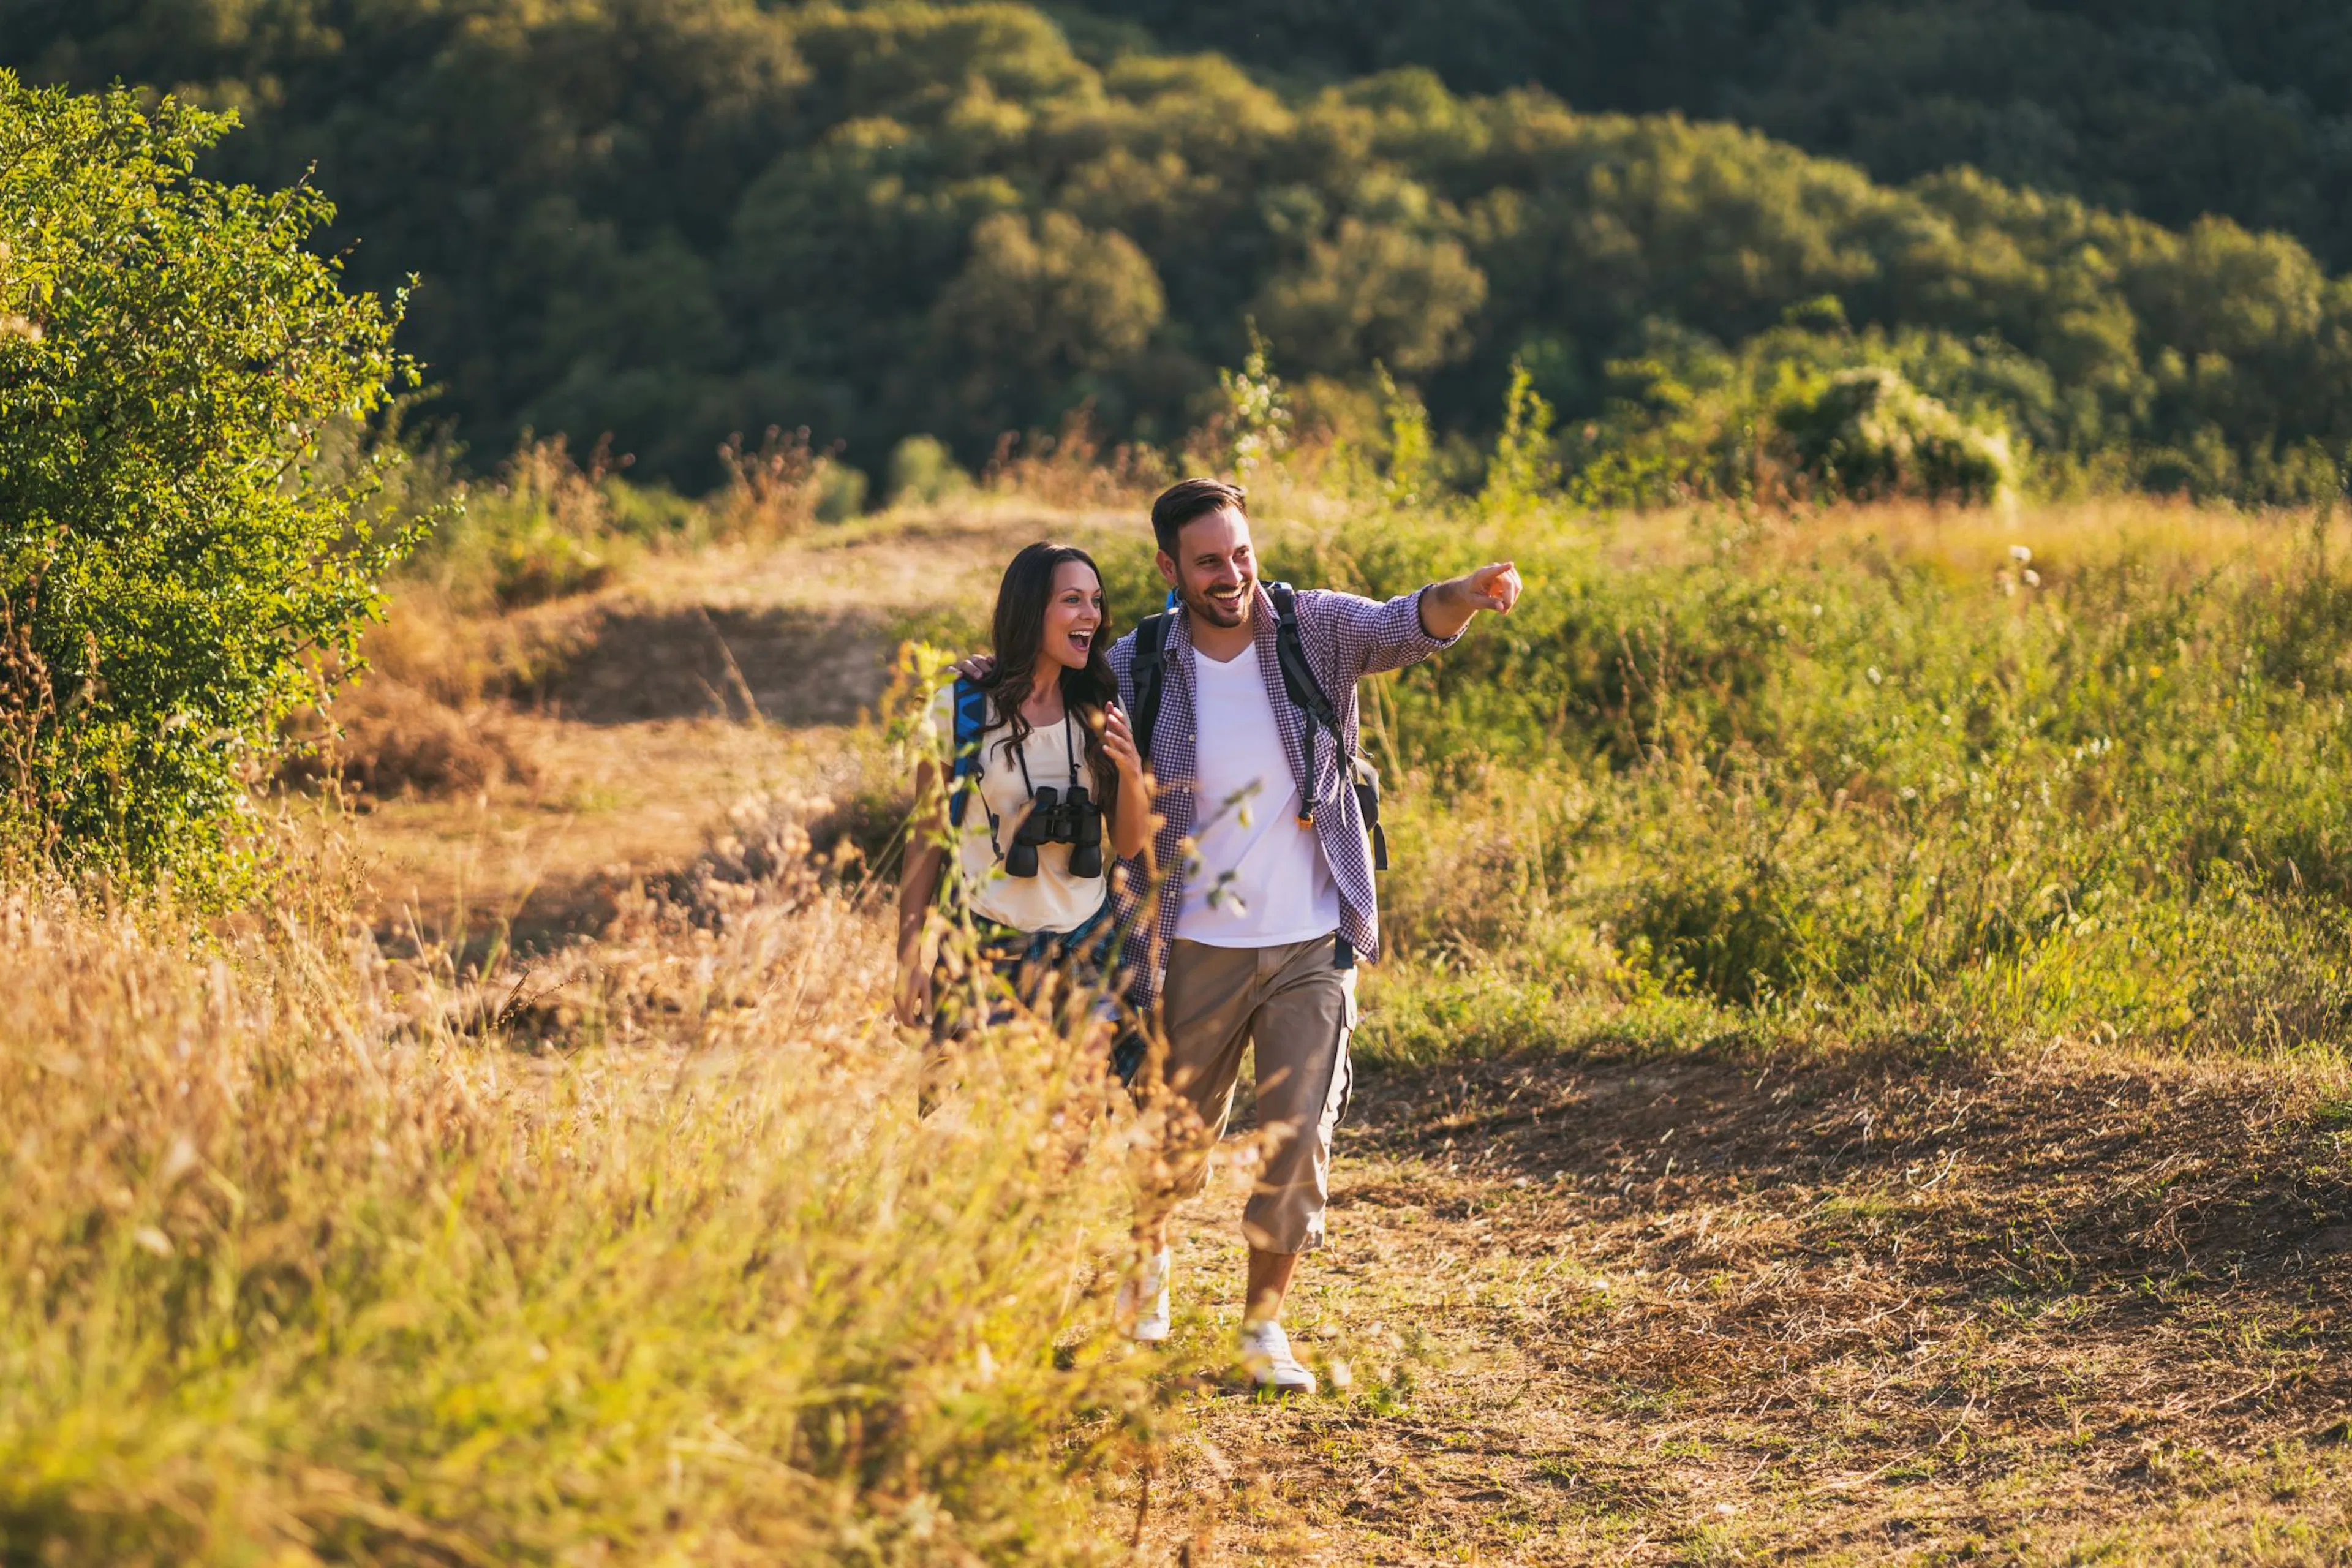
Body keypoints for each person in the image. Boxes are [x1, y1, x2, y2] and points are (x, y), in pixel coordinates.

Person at [962, 481, 1524, 1391]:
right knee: (1170, 1137)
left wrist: (1465, 591)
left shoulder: (1313, 631)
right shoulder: (1141, 661)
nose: (1232, 576)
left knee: (1300, 1136)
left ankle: (1263, 1329)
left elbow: (1404, 623)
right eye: (1210, 562)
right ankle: (1148, 1274)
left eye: (1241, 554)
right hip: (1183, 944)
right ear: (1170, 569)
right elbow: (1049, 684)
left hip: (1312, 938)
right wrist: (980, 686)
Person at [897, 543, 1154, 1050]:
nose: (1091, 615)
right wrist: (908, 960)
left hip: (1086, 944)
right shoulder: (960, 709)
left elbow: (1127, 844)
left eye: (1096, 601)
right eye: (1072, 600)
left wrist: (1129, 774)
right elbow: (924, 840)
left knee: (1075, 1121)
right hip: (987, 945)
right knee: (979, 1124)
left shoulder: (1100, 706)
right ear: (1030, 610)